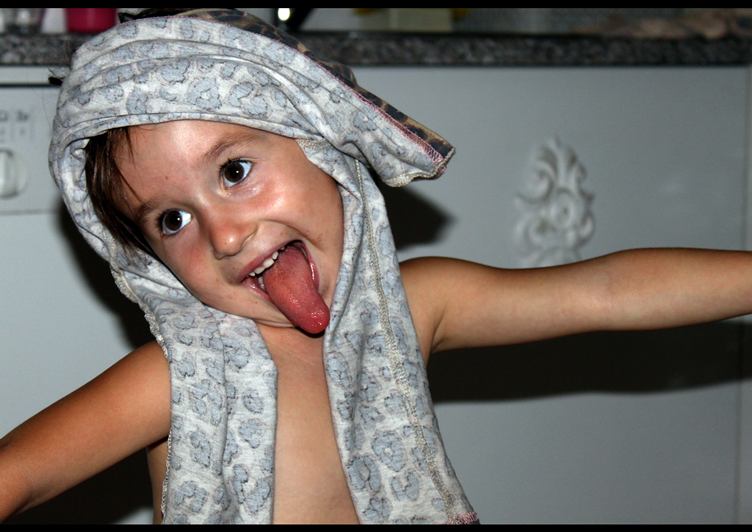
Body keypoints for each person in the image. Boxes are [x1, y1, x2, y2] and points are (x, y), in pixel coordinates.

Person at [2, 8, 752, 524]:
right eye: (172, 220)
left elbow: (604, 292)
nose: (224, 235)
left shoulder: (414, 307)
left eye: (233, 171)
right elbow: (22, 473)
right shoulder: (175, 378)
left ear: (323, 150)